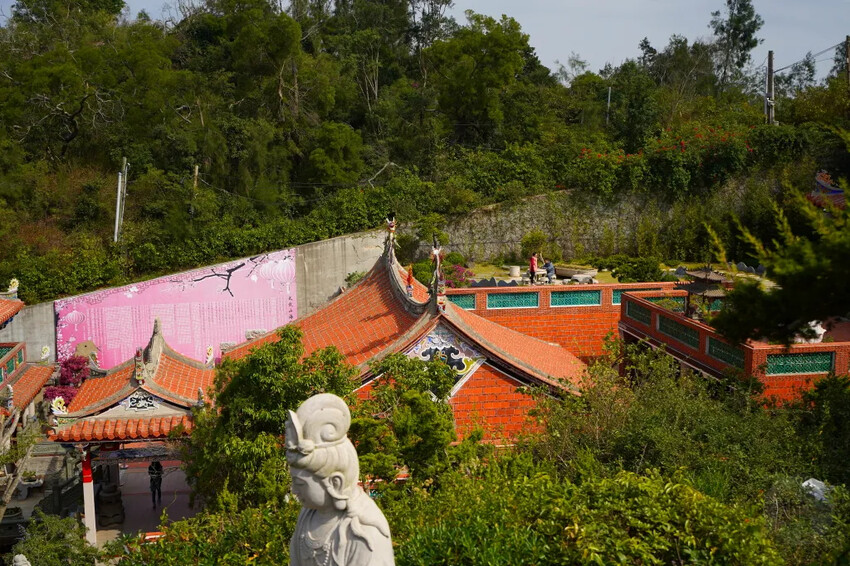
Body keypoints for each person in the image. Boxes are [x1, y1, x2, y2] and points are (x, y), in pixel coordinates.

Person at [287, 394, 394, 566]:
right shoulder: (307, 515)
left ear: (335, 483)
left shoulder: (363, 531)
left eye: (300, 484)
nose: (294, 490)